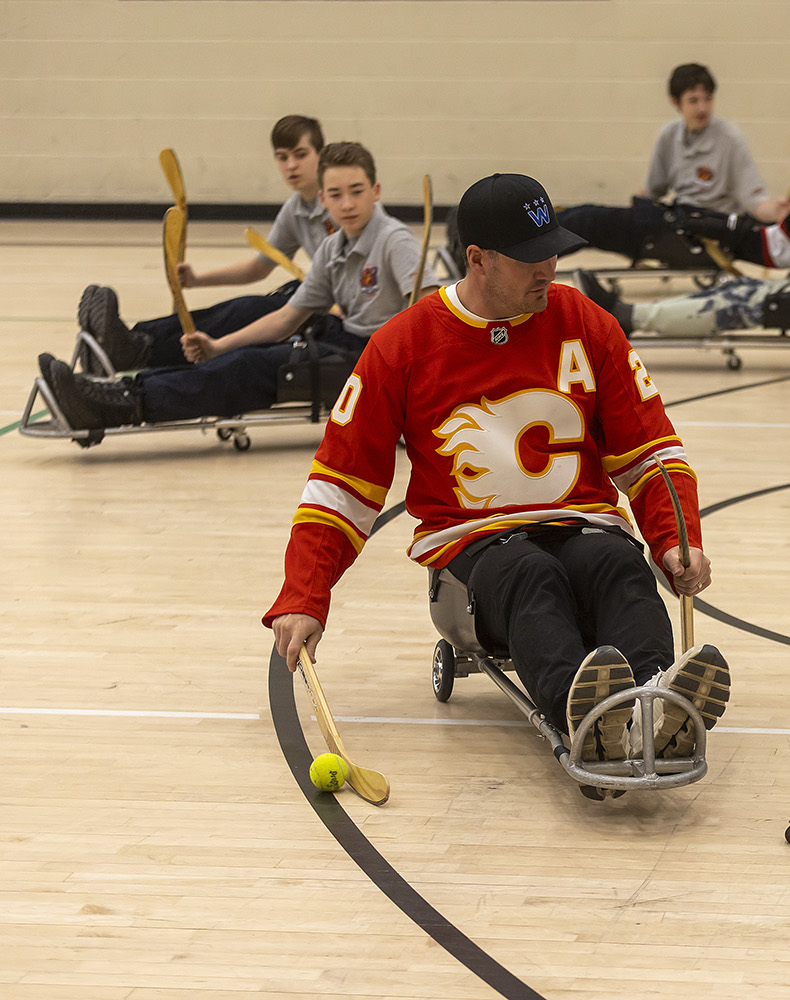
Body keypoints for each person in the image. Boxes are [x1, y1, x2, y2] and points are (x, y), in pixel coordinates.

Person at [265, 172, 731, 778]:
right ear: (477, 260)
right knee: (530, 572)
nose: (549, 269)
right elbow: (341, 487)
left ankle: (653, 708)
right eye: (530, 258)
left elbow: (652, 452)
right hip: (476, 547)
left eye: (553, 251)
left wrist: (676, 538)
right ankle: (585, 722)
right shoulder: (401, 347)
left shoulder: (587, 323)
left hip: (581, 524)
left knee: (620, 564)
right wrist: (305, 596)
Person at [39, 141, 428, 431]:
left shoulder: (395, 240)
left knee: (251, 366)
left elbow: (436, 307)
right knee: (252, 315)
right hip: (345, 336)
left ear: (376, 191)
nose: (347, 204)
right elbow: (286, 319)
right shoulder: (333, 247)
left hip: (380, 365)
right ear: (323, 199)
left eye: (358, 192)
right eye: (337, 195)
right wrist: (216, 346)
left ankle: (120, 405)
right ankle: (132, 355)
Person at [575, 105, 790, 390]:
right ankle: (630, 315)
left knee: (743, 301)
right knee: (739, 288)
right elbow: (783, 248)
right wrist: (725, 231)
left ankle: (630, 318)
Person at [76, 115, 334, 376]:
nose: (291, 165)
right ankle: (131, 340)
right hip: (312, 296)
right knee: (232, 310)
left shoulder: (341, 202)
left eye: (300, 155)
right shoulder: (295, 209)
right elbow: (258, 268)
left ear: (321, 155)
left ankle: (139, 352)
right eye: (282, 157)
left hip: (336, 313)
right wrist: (197, 279)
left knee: (249, 312)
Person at [555, 63, 790, 263]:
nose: (703, 108)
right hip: (673, 218)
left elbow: (755, 201)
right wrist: (630, 211)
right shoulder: (669, 135)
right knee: (585, 215)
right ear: (676, 102)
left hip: (704, 230)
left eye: (708, 99)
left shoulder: (731, 140)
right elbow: (653, 191)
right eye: (694, 100)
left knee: (586, 221)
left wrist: (775, 211)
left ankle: (532, 254)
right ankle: (533, 239)